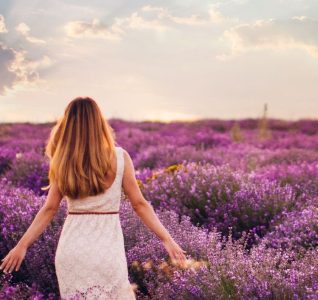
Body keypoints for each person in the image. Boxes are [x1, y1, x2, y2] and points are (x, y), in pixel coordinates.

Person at [0, 97, 187, 299]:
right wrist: (167, 239)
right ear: (99, 122)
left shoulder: (62, 160)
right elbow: (140, 204)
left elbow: (49, 209)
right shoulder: (120, 157)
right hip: (107, 251)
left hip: (72, 252)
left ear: (68, 124)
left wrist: (22, 245)